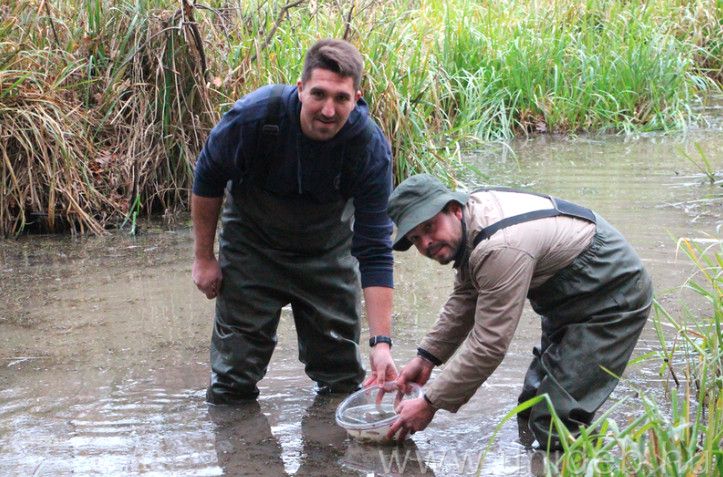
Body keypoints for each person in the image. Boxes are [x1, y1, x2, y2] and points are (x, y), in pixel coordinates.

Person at [192, 39, 397, 405]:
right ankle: (239, 456)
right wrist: (204, 257)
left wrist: (381, 343)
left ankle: (332, 456)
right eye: (319, 94)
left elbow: (376, 247)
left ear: (357, 97)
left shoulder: (368, 148)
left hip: (327, 253)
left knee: (342, 380)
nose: (329, 110)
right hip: (252, 246)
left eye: (342, 98)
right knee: (231, 381)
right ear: (300, 89)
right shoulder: (254, 117)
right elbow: (207, 178)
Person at [385, 174, 653, 450]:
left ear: (454, 209)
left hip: (612, 296)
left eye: (430, 227)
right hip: (568, 300)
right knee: (531, 405)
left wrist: (430, 404)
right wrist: (427, 357)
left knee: (555, 421)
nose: (426, 243)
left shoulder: (499, 246)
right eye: (415, 238)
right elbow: (467, 295)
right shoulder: (471, 223)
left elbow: (488, 347)